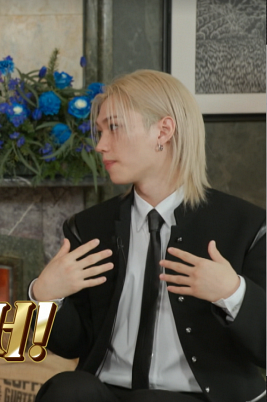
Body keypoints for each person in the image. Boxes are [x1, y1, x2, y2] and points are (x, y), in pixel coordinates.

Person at [31, 70, 265, 402]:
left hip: (202, 397)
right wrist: (46, 297)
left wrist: (233, 293)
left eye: (114, 127)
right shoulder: (87, 228)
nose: (100, 145)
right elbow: (71, 345)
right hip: (110, 392)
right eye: (100, 131)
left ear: (163, 131)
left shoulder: (248, 226)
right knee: (67, 390)